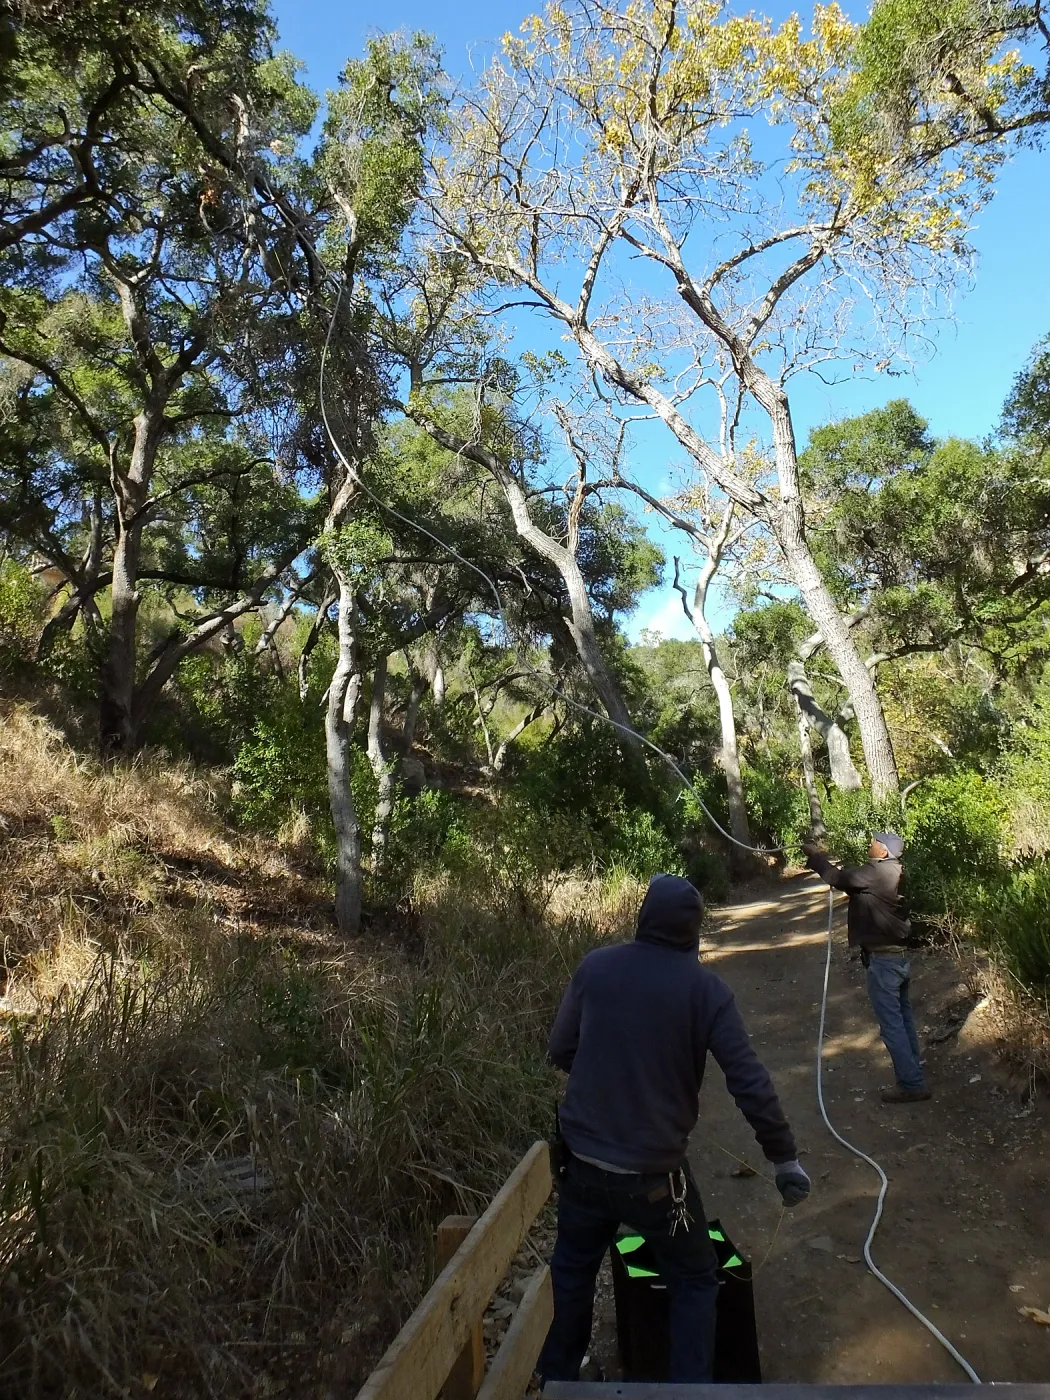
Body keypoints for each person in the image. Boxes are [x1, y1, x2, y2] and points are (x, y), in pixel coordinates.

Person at [538, 873, 809, 1386]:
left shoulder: (596, 968)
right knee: (694, 1277)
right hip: (656, 1181)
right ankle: (689, 1391)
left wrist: (609, 1077)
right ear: (694, 932)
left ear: (643, 918)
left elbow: (560, 1049)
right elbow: (748, 1081)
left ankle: (560, 1380)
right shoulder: (707, 992)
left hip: (584, 1168)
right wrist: (783, 1158)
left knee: (573, 1268)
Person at [803, 830, 931, 1105]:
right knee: (903, 1020)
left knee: (892, 1025)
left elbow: (838, 878)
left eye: (875, 842)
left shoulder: (877, 873)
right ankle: (913, 1074)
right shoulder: (893, 872)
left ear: (883, 851)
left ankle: (911, 1083)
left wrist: (815, 857)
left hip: (884, 964)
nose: (870, 844)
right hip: (897, 960)